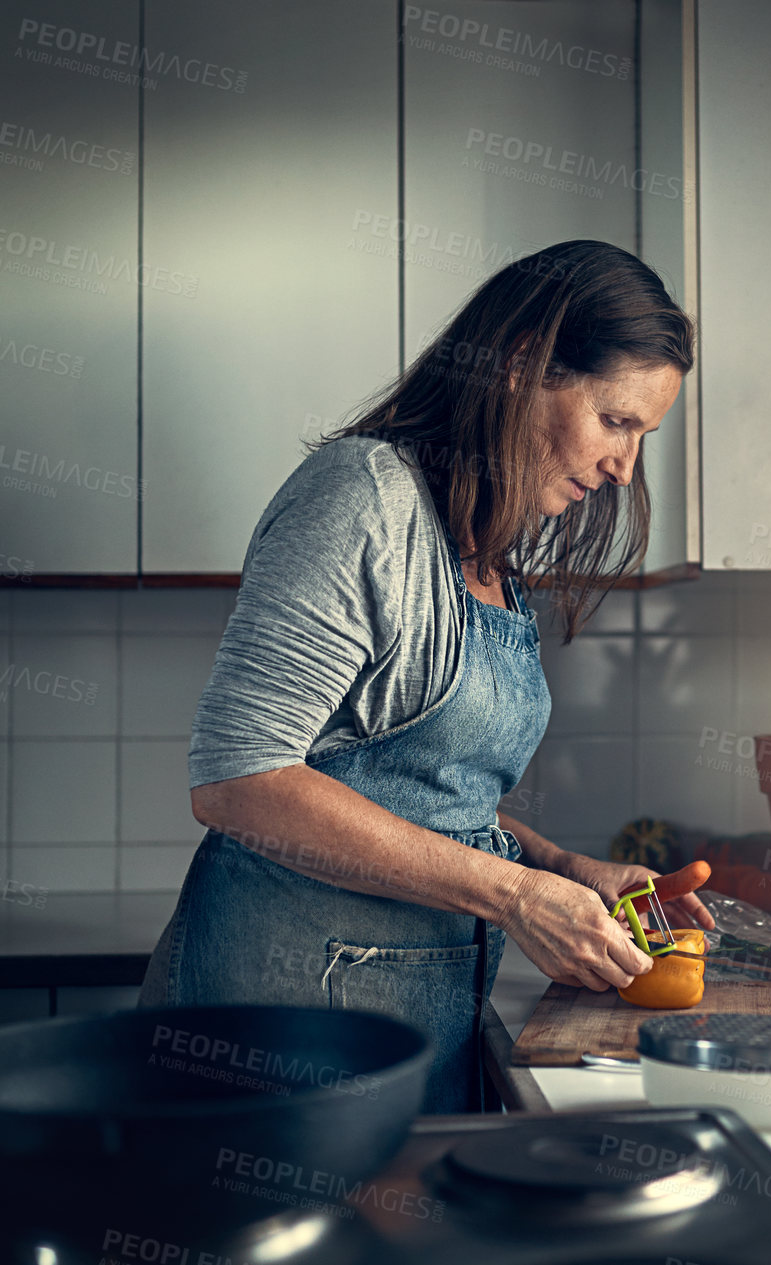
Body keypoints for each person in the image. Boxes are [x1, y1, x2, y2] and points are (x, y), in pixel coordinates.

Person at [139, 240, 710, 1113]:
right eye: (616, 421)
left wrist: (557, 866)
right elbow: (239, 777)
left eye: (643, 436)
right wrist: (517, 895)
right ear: (522, 367)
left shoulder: (482, 550)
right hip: (278, 1045)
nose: (622, 470)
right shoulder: (362, 499)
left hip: (406, 1039)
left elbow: (425, 794)